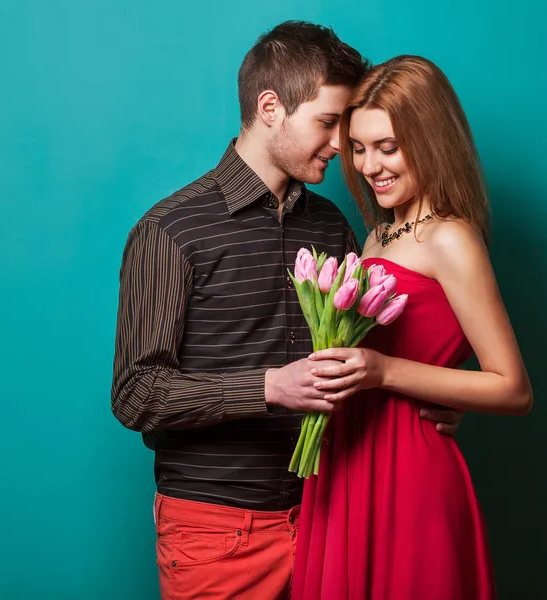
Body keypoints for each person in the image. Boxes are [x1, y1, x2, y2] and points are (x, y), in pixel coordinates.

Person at [111, 24, 462, 600]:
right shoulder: (171, 230)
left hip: (338, 514)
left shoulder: (333, 226)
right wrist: (271, 387)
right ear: (270, 107)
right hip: (218, 529)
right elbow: (137, 393)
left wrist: (430, 404)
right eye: (328, 124)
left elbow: (364, 360)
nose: (338, 145)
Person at [292, 55, 533, 600]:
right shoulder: (379, 234)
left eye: (388, 147)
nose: (370, 165)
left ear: (429, 140)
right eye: (358, 147)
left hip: (408, 473)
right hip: (349, 461)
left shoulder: (451, 238)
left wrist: (383, 370)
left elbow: (513, 388)